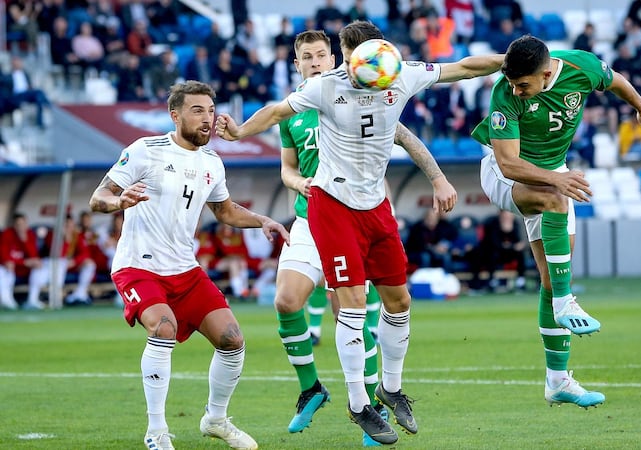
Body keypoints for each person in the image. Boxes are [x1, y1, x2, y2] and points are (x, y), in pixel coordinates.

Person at [216, 20, 500, 444]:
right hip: (330, 207)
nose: (369, 63)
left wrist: (510, 60)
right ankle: (356, 403)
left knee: (399, 300)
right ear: (346, 57)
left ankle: (389, 387)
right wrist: (239, 131)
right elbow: (276, 112)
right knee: (346, 302)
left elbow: (460, 67)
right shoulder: (326, 87)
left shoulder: (398, 72)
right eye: (360, 57)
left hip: (376, 206)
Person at [271, 29, 459, 446]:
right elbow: (285, 169)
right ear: (297, 64)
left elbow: (405, 136)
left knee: (355, 309)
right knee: (286, 300)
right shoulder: (292, 112)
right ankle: (312, 388)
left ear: (334, 57)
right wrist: (297, 181)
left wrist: (438, 177)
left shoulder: (359, 91)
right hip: (309, 216)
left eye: (322, 54)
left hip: (358, 215)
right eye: (307, 57)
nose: (316, 62)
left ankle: (373, 403)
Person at [88, 80, 289, 450]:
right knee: (163, 328)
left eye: (211, 111)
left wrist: (263, 220)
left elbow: (225, 211)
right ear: (175, 114)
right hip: (138, 266)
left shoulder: (212, 161)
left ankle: (216, 420)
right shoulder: (145, 150)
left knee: (232, 340)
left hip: (184, 268)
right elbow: (98, 196)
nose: (208, 120)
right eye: (198, 111)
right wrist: (118, 203)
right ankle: (157, 431)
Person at [472, 35, 641, 408]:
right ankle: (565, 302)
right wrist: (556, 179)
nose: (516, 90)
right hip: (506, 172)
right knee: (555, 201)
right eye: (512, 83)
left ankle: (557, 381)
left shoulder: (580, 67)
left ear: (546, 73)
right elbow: (508, 163)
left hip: (553, 173)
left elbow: (617, 80)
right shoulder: (505, 94)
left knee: (553, 274)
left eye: (523, 84)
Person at [0, 213, 49, 310]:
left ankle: (32, 300)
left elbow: (34, 256)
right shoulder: (7, 234)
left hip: (25, 270)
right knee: (3, 270)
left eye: (23, 224)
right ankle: (6, 301)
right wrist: (24, 262)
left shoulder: (30, 234)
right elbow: (4, 257)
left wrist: (24, 240)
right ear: (14, 225)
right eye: (18, 224)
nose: (21, 227)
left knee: (40, 268)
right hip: (12, 268)